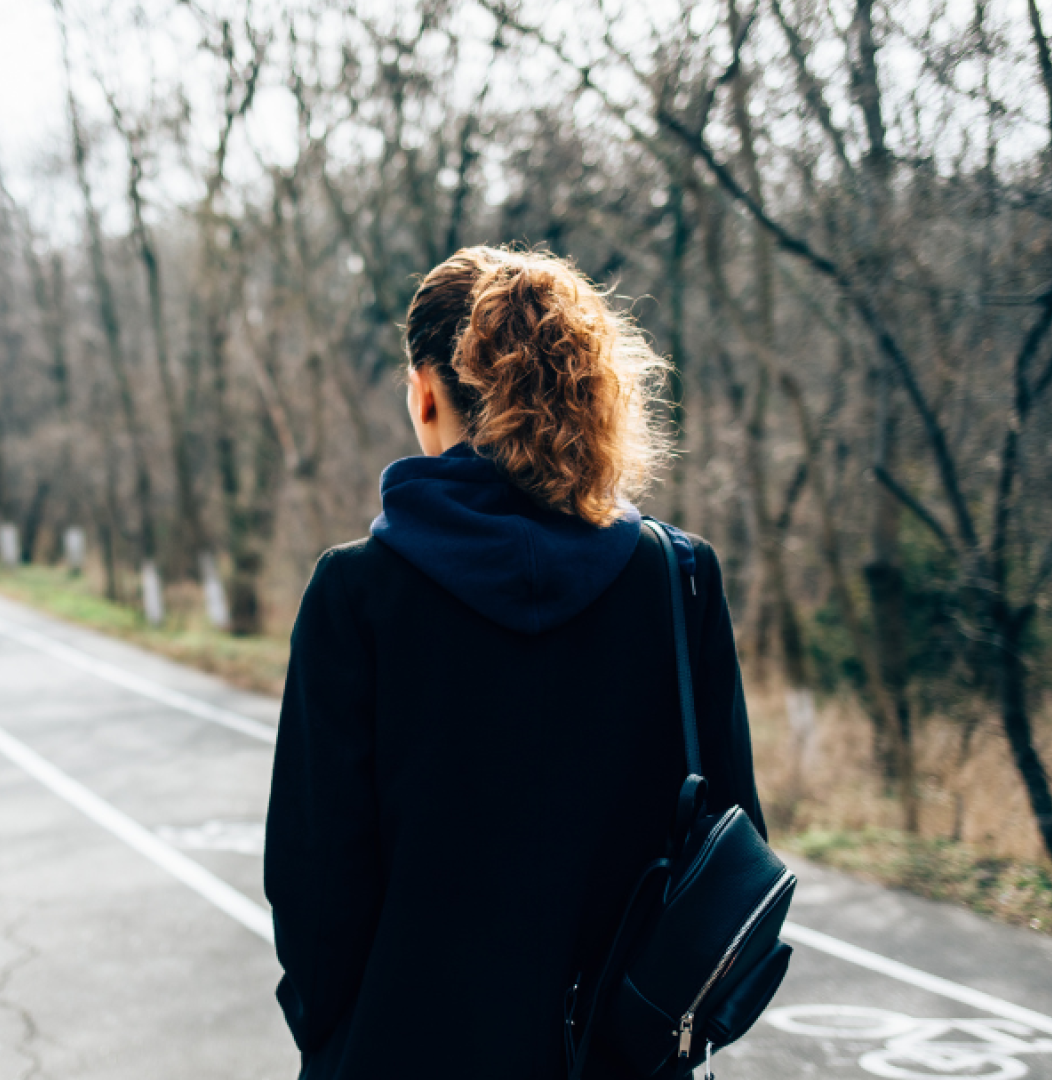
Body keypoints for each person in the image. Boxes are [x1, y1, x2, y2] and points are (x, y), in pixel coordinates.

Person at [264, 246, 763, 1079]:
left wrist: (337, 1036)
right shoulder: (677, 584)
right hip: (619, 1062)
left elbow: (314, 886)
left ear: (426, 394)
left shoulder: (357, 594)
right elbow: (732, 853)